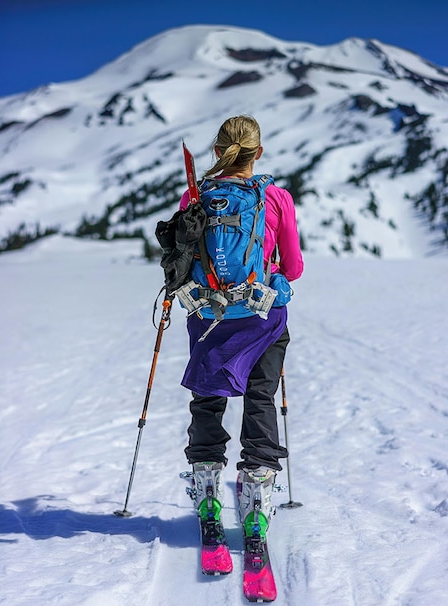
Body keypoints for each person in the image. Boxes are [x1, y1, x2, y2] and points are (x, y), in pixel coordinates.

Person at [178, 115, 303, 541]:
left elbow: (183, 258)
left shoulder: (193, 197)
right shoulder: (277, 198)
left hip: (209, 318)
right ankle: (256, 499)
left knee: (208, 399)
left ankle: (208, 490)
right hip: (261, 317)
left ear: (217, 152)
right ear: (259, 153)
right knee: (261, 396)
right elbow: (295, 266)